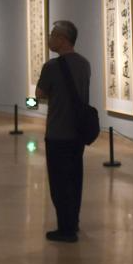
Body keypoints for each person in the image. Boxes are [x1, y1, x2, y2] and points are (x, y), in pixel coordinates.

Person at [36, 20, 92, 243]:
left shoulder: (51, 67)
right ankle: (73, 222)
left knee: (59, 183)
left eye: (52, 34)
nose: (49, 38)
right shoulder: (85, 64)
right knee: (75, 179)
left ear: (62, 38)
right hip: (78, 133)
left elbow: (39, 94)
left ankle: (65, 229)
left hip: (58, 132)